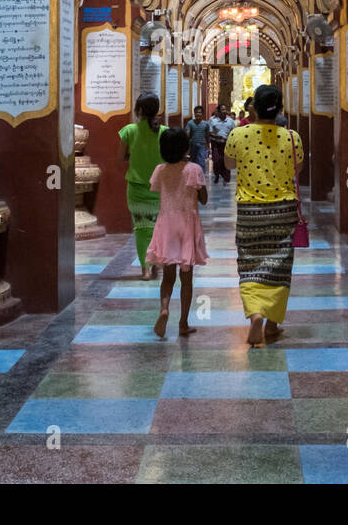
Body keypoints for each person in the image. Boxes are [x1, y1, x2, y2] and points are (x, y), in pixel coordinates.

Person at [224, 84, 303, 347]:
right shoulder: (292, 137)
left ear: (254, 108)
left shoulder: (239, 134)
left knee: (249, 264)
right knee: (279, 268)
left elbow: (229, 164)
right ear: (280, 109)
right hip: (283, 211)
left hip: (250, 211)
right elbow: (297, 167)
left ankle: (255, 314)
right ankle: (271, 325)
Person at [145, 127, 209, 338]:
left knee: (168, 276)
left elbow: (158, 190)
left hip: (166, 224)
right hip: (187, 225)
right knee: (187, 278)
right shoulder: (193, 169)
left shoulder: (159, 170)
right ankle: (183, 323)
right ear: (185, 147)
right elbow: (204, 199)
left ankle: (164, 309)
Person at [120, 93, 166, 281]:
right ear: (157, 110)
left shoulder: (129, 131)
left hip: (136, 188)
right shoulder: (164, 131)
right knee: (158, 228)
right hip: (160, 189)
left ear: (138, 110)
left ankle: (145, 270)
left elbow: (119, 158)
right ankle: (156, 265)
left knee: (141, 229)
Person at [206, 105, 236, 184]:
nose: (224, 111)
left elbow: (234, 132)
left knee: (225, 160)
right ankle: (217, 174)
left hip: (226, 143)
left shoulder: (230, 121)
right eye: (222, 110)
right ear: (218, 112)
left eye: (225, 109)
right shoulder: (213, 121)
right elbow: (209, 132)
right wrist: (208, 143)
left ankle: (226, 178)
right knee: (216, 160)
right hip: (216, 143)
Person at [185, 106, 210, 171]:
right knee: (192, 162)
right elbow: (187, 135)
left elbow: (207, 136)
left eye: (199, 112)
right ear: (194, 113)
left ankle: (201, 177)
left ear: (202, 114)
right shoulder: (190, 123)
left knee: (201, 162)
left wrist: (208, 147)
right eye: (196, 112)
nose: (198, 114)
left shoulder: (206, 124)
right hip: (192, 145)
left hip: (202, 145)